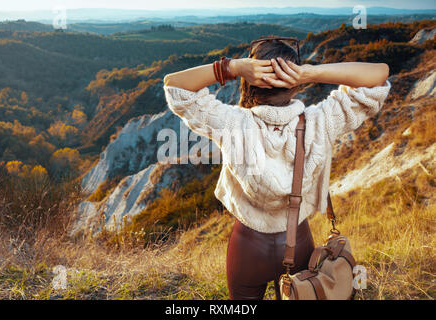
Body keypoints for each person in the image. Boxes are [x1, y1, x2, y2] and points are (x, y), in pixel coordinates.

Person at [163, 38, 391, 300]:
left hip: (248, 246)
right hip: (298, 240)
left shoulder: (232, 123)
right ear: (294, 85)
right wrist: (310, 72)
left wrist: (234, 67)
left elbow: (174, 85)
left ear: (250, 81)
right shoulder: (321, 121)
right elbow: (379, 75)